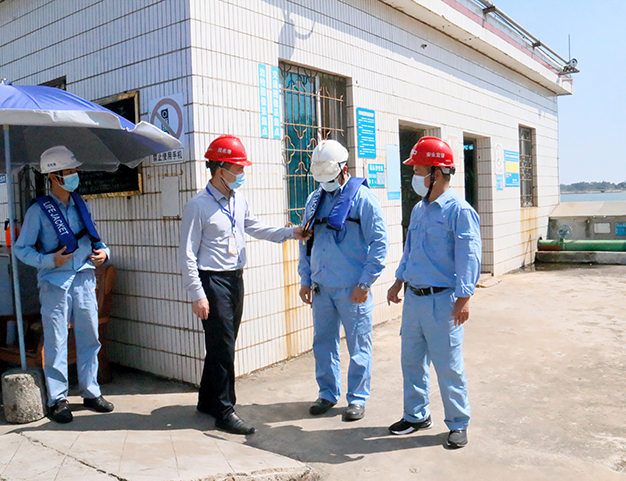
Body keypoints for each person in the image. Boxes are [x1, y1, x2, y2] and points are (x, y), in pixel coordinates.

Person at [180, 134, 310, 435]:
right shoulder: (197, 206)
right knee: (223, 346)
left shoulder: (238, 200)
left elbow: (254, 227)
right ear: (220, 169)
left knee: (223, 343)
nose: (241, 173)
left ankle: (207, 400)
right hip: (212, 281)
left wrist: (290, 232)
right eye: (237, 168)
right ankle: (225, 410)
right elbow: (186, 254)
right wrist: (197, 293)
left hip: (235, 279)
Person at [386, 136, 481, 449]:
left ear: (436, 173)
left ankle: (458, 422)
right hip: (414, 300)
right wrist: (398, 280)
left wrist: (464, 298)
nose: (414, 177)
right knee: (411, 362)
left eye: (418, 170)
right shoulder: (419, 209)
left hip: (443, 301)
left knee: (448, 367)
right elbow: (410, 249)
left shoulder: (459, 211)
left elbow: (469, 256)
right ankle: (416, 415)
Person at [15, 145, 114, 423]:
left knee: (90, 338)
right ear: (53, 176)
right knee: (56, 342)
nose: (73, 176)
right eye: (68, 171)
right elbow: (21, 249)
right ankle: (57, 399)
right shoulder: (38, 211)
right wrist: (50, 260)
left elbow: (96, 240)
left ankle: (91, 392)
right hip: (55, 283)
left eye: (74, 170)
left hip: (84, 279)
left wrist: (104, 253)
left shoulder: (81, 205)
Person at [298, 139, 388, 422]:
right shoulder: (314, 200)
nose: (326, 184)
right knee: (323, 343)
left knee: (358, 346)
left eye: (330, 178)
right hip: (322, 287)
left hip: (352, 289)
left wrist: (365, 283)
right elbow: (306, 243)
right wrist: (305, 279)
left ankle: (357, 398)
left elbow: (379, 243)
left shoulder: (363, 199)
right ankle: (327, 393)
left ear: (344, 170)